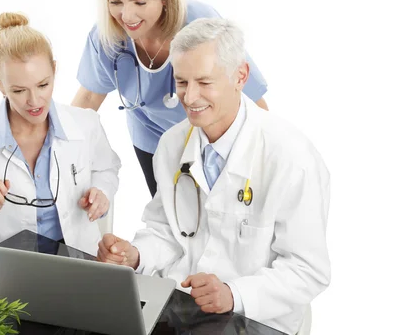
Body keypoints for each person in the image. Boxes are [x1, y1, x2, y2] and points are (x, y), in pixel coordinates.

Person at [97, 18, 330, 335]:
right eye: (181, 82)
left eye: (204, 82)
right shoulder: (172, 145)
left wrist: (234, 294)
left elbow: (307, 270)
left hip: (258, 320)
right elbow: (166, 230)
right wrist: (135, 255)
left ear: (240, 76)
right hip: (183, 308)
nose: (190, 97)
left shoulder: (291, 156)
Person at [72, 0, 269, 197]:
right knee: (169, 215)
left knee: (221, 214)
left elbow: (251, 94)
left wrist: (269, 153)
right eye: (116, 2)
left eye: (139, 2)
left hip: (209, 133)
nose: (126, 16)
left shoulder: (201, 22)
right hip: (151, 138)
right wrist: (57, 148)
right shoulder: (106, 37)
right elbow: (88, 96)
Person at [0, 12, 121, 262]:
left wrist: (101, 192)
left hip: (74, 264)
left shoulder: (86, 124)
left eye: (43, 85)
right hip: (1, 272)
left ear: (55, 70)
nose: (34, 101)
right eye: (19, 90)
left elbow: (106, 169)